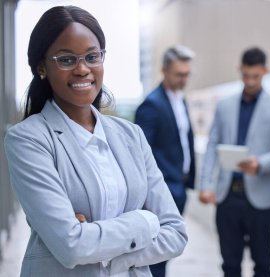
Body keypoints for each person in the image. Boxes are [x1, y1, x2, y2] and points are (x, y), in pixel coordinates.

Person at [4, 6, 187, 277]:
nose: (82, 69)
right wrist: (144, 221)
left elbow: (175, 233)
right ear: (42, 66)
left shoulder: (131, 136)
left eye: (92, 56)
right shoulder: (28, 139)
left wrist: (102, 248)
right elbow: (71, 246)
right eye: (66, 60)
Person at [199, 47, 270, 277]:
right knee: (229, 265)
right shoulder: (224, 105)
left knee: (263, 265)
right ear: (240, 70)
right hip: (227, 196)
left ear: (265, 72)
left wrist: (261, 163)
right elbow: (212, 145)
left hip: (262, 198)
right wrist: (205, 185)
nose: (250, 81)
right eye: (246, 75)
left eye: (256, 76)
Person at [134, 45, 195, 277]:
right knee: (156, 257)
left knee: (166, 253)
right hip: (163, 190)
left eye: (187, 74)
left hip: (180, 186)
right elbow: (140, 155)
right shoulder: (152, 104)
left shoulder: (180, 99)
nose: (184, 79)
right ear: (164, 71)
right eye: (179, 74)